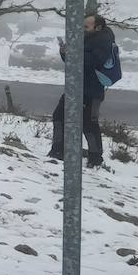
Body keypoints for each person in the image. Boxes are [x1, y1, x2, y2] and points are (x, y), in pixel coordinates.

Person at [48, 13, 118, 168]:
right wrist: (64, 52)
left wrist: (73, 53)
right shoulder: (85, 38)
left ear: (97, 27)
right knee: (59, 116)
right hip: (75, 87)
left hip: (93, 91)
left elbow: (95, 61)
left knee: (89, 124)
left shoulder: (104, 40)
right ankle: (57, 151)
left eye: (86, 26)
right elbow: (73, 61)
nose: (83, 28)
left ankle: (95, 159)